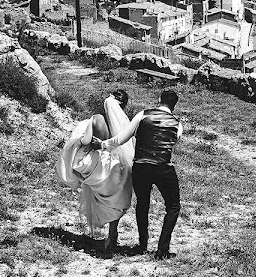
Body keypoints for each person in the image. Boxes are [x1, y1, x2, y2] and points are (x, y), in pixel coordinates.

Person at [94, 89, 182, 260]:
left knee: (142, 204)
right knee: (173, 206)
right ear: (174, 106)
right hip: (163, 167)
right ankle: (162, 249)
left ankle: (142, 244)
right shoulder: (177, 124)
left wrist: (102, 145)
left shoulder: (143, 115)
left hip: (141, 166)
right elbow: (173, 141)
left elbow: (121, 139)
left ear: (158, 99)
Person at [56, 90, 134, 255]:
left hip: (99, 166)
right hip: (118, 166)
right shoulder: (125, 123)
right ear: (123, 106)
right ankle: (113, 232)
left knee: (100, 198)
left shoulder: (97, 119)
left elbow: (85, 141)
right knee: (117, 199)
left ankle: (105, 229)